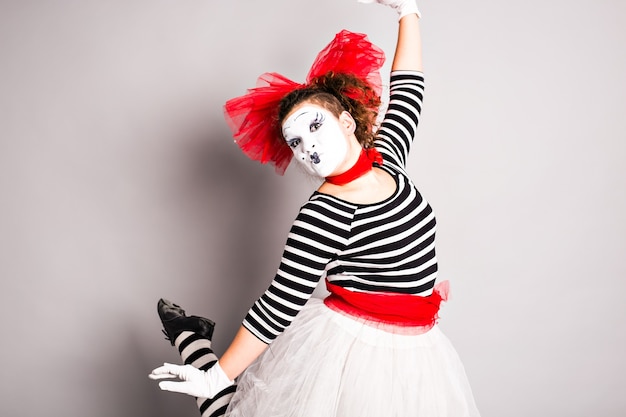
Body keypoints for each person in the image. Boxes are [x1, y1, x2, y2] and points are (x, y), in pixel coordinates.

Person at [149, 0, 481, 416]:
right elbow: (278, 303)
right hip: (355, 351)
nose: (307, 146)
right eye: (295, 141)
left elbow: (409, 88)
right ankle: (192, 342)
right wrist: (216, 378)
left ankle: (191, 336)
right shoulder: (324, 214)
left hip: (416, 346)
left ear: (346, 122)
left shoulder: (388, 156)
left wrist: (407, 11)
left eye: (315, 126)